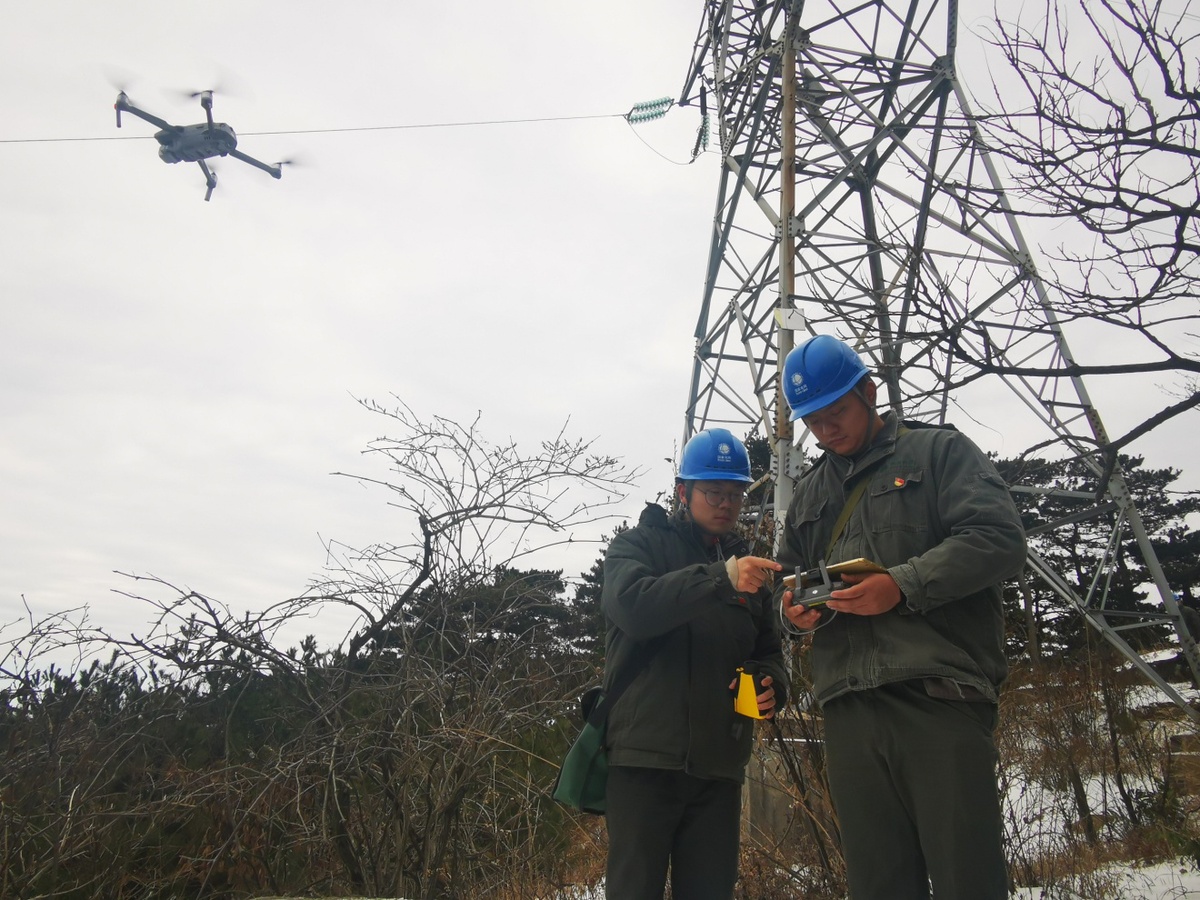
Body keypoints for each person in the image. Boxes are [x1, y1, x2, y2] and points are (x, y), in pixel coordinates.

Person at [775, 334, 1027, 900]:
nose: (826, 430)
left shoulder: (938, 453)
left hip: (937, 694)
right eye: (812, 421)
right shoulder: (811, 494)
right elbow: (786, 587)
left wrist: (902, 584)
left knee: (968, 877)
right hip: (845, 707)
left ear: (868, 391)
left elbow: (999, 539)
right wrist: (795, 614)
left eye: (836, 411)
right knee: (878, 883)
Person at [601, 427, 788, 900]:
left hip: (717, 770)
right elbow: (634, 609)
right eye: (713, 491)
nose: (726, 503)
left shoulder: (749, 568)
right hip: (644, 762)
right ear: (683, 491)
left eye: (735, 493)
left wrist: (771, 685)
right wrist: (720, 579)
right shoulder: (638, 546)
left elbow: (768, 650)